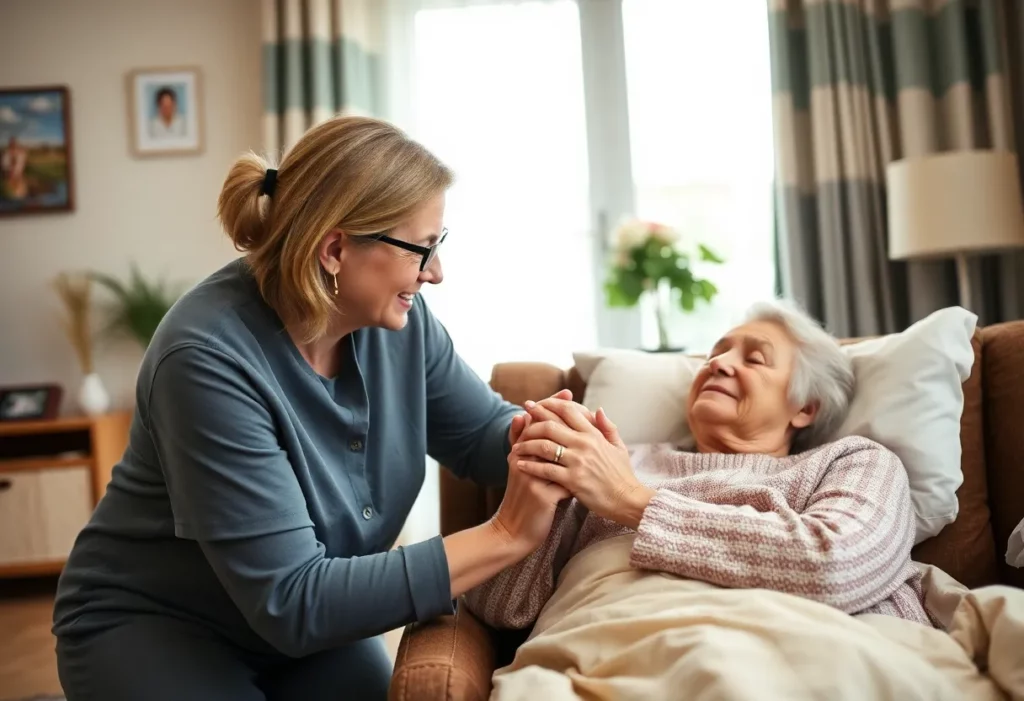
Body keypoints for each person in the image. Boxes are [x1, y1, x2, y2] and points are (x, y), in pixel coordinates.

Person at [52, 115, 573, 700]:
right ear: (335, 249)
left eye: (438, 245)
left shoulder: (401, 324)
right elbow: (293, 600)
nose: (436, 273)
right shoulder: (205, 360)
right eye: (421, 250)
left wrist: (557, 443)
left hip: (304, 625)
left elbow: (480, 434)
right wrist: (505, 534)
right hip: (157, 624)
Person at [465, 301, 936, 630]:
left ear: (806, 408)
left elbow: (836, 566)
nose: (719, 364)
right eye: (715, 353)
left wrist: (630, 500)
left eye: (755, 359)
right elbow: (502, 609)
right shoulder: (609, 461)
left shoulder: (854, 461)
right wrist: (529, 491)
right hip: (621, 652)